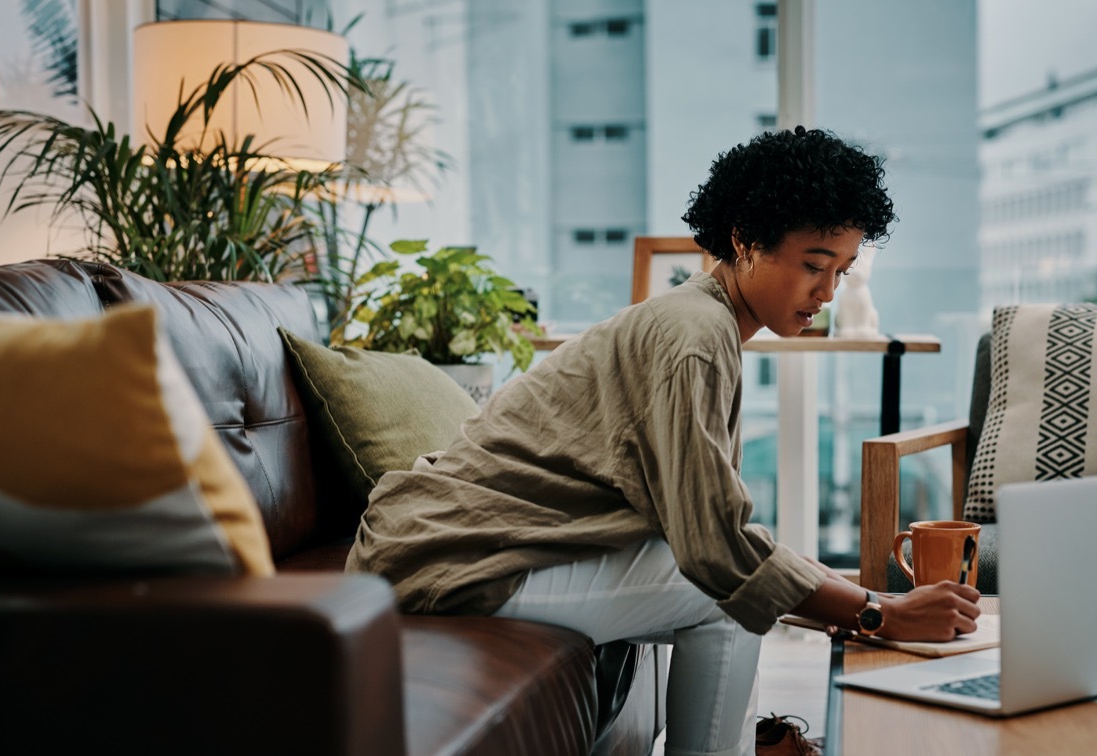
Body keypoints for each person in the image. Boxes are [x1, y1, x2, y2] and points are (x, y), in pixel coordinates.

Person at [346, 126, 981, 756]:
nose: (828, 293)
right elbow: (719, 554)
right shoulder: (696, 338)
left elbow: (716, 529)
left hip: (449, 547)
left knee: (734, 582)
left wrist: (864, 601)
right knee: (724, 598)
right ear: (744, 241)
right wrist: (879, 614)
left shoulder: (702, 322)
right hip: (450, 564)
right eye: (814, 266)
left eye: (841, 271)